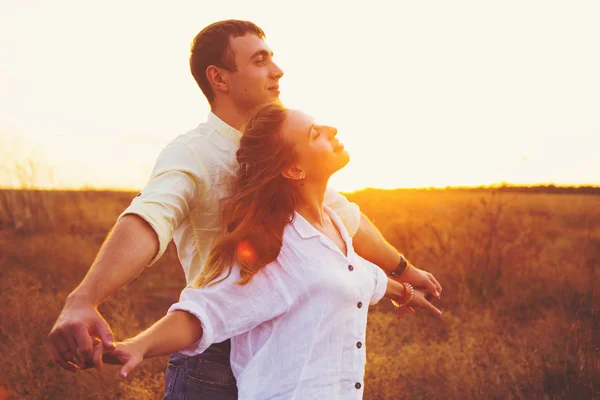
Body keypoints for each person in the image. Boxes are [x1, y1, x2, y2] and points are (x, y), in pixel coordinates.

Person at [47, 20, 442, 399]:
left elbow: (346, 226)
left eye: (271, 57)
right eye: (259, 61)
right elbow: (149, 220)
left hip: (283, 352)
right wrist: (85, 299)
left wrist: (404, 273)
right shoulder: (193, 152)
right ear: (218, 78)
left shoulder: (289, 151)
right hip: (213, 357)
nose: (278, 70)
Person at [100, 102, 442, 399]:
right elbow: (204, 312)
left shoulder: (333, 224)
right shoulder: (273, 246)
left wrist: (405, 290)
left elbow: (356, 276)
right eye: (314, 134)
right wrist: (139, 346)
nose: (331, 128)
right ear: (294, 169)